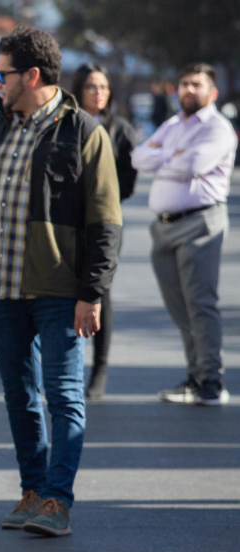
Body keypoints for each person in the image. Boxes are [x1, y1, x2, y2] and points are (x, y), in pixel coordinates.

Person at [0, 27, 123, 538]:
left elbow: (105, 220)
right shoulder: (0, 129)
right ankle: (32, 492)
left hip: (57, 291)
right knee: (18, 396)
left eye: (2, 75)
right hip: (1, 291)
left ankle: (58, 501)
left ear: (31, 75)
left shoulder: (85, 133)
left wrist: (91, 292)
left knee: (63, 395)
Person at [132, 63, 236, 406]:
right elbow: (138, 157)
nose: (188, 90)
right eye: (184, 84)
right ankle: (195, 376)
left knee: (200, 305)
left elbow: (192, 166)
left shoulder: (218, 129)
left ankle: (211, 382)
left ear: (212, 92)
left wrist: (163, 158)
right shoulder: (175, 124)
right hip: (164, 228)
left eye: (196, 84)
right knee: (179, 308)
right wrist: (169, 155)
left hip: (199, 225)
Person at [71, 62, 139, 399]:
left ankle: (100, 369)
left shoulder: (119, 129)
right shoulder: (66, 126)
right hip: (69, 224)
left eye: (104, 87)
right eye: (92, 87)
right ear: (79, 90)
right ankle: (68, 365)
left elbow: (128, 180)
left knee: (99, 291)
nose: (99, 93)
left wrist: (102, 198)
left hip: (105, 222)